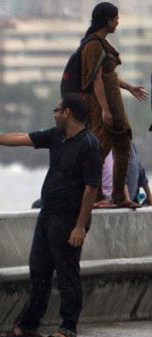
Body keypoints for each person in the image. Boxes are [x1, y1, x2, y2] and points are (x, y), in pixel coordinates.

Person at [0, 93, 102, 337]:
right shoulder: (56, 137)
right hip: (47, 215)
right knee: (39, 271)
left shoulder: (89, 144)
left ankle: (68, 328)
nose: (54, 113)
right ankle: (29, 325)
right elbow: (22, 138)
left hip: (69, 220)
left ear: (68, 113)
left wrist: (79, 226)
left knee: (67, 274)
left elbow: (91, 188)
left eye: (57, 109)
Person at [80, 2, 149, 207]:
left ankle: (119, 197)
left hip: (114, 103)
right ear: (107, 20)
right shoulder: (93, 44)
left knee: (123, 144)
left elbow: (109, 76)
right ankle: (99, 196)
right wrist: (105, 109)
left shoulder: (101, 43)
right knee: (101, 148)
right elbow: (96, 80)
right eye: (116, 18)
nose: (118, 22)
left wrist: (129, 87)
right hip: (104, 105)